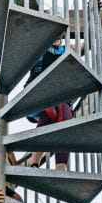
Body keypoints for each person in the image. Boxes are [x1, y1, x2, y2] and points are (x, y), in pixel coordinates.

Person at [24, 39, 73, 171]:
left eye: (59, 36)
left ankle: (60, 170)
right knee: (49, 114)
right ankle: (34, 163)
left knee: (65, 125)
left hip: (60, 96)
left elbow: (85, 46)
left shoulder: (65, 49)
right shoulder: (40, 46)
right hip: (39, 92)